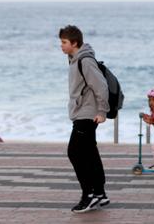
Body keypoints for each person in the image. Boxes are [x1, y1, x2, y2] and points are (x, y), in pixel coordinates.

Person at [59, 25, 110, 213]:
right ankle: (100, 193)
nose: (61, 46)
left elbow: (101, 86)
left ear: (74, 43)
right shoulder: (74, 59)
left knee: (75, 152)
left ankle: (88, 195)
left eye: (64, 42)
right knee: (89, 153)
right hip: (83, 112)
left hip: (87, 115)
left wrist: (102, 111)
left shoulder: (84, 61)